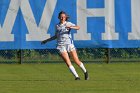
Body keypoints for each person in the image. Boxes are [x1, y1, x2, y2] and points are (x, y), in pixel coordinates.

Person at [41, 11, 89, 80]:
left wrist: (71, 27)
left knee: (76, 60)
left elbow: (78, 27)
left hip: (69, 44)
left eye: (63, 16)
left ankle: (85, 72)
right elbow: (56, 36)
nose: (62, 18)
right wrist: (46, 40)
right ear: (58, 17)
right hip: (61, 45)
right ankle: (77, 77)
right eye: (61, 16)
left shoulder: (68, 23)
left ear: (65, 17)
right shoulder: (57, 26)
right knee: (67, 62)